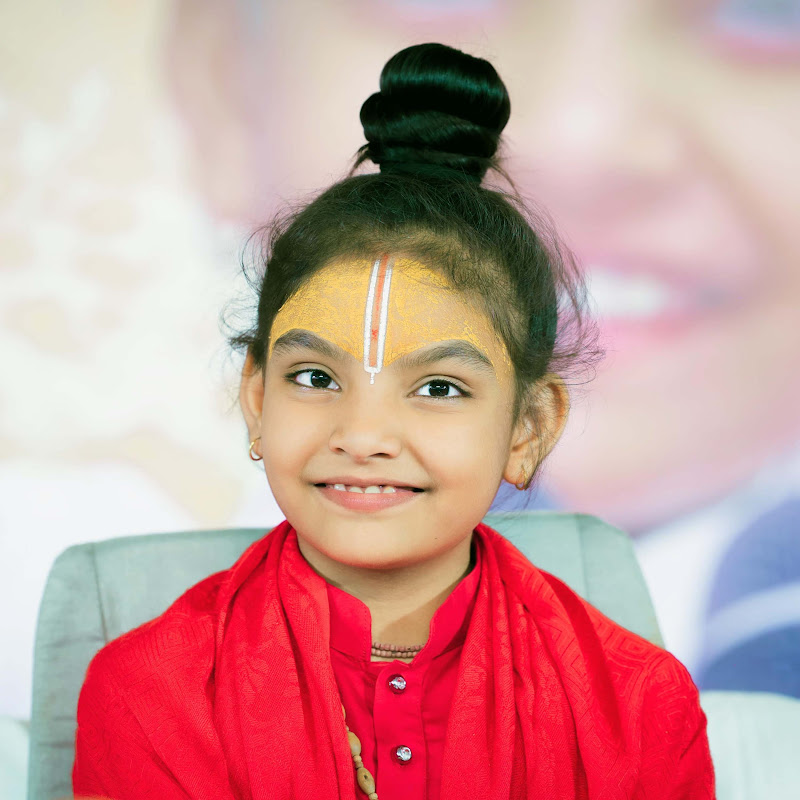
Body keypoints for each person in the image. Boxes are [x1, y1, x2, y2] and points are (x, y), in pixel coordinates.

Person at [72, 43, 715, 799]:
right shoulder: (155, 694)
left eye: (439, 387)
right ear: (257, 399)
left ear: (529, 427)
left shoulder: (638, 709)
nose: (364, 436)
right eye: (315, 378)